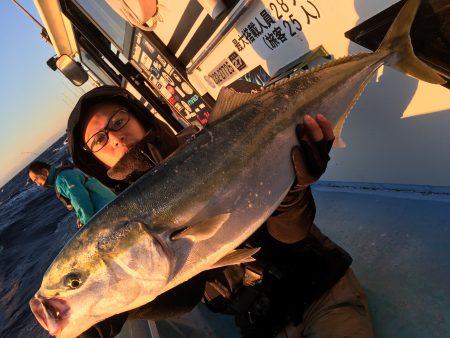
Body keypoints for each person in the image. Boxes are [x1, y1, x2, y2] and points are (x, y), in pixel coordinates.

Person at [67, 85, 374, 337]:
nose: (116, 138)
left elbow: (293, 233)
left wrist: (293, 190)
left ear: (138, 117)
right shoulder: (127, 224)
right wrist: (112, 305)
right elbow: (186, 293)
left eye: (118, 121)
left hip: (320, 290)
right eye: (99, 140)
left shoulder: (212, 144)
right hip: (262, 325)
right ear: (96, 161)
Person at [28, 160, 116, 228]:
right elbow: (77, 200)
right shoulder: (62, 176)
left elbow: (81, 201)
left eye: (36, 180)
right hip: (109, 205)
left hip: (108, 210)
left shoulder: (62, 180)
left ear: (44, 172)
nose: (38, 184)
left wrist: (88, 225)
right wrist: (80, 217)